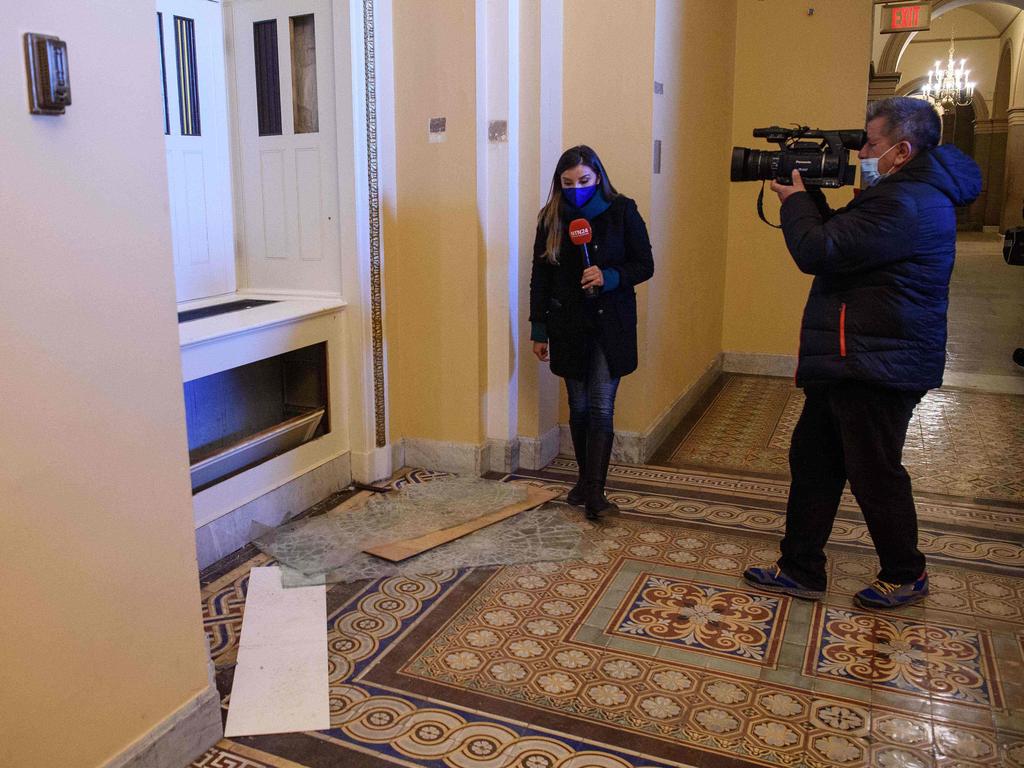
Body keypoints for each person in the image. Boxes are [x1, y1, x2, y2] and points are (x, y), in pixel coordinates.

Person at [743, 97, 981, 610]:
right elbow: (843, 242)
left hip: (877, 361)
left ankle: (906, 571)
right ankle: (800, 566)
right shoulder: (901, 191)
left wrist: (795, 200)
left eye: (871, 144)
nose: (863, 153)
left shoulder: (906, 201)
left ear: (901, 149)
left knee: (873, 471)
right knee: (814, 460)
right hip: (858, 354)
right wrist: (811, 203)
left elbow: (818, 251)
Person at [529, 145, 654, 520]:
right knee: (579, 406)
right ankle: (585, 480)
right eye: (567, 183)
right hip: (569, 324)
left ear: (598, 176)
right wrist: (539, 329)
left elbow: (644, 264)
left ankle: (596, 493)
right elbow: (541, 278)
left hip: (610, 323)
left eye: (583, 181)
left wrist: (609, 276)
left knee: (601, 404)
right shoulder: (551, 218)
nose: (576, 189)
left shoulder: (622, 210)